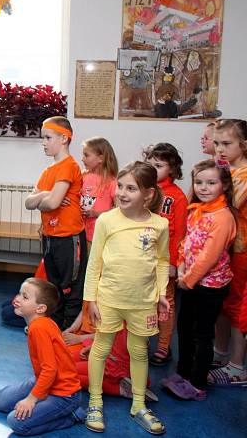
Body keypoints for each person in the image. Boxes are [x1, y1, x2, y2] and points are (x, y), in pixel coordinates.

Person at [83, 161, 170, 435]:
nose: (122, 192)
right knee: (101, 348)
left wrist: (161, 294)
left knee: (139, 352)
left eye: (131, 188)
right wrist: (91, 299)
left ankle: (139, 404)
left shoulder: (160, 224)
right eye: (120, 186)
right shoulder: (107, 220)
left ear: (148, 194)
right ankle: (95, 402)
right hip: (108, 299)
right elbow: (94, 261)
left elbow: (162, 261)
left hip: (142, 303)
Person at [160, 159, 236, 401]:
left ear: (223, 185)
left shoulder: (223, 217)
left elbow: (209, 257)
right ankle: (183, 373)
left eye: (211, 183)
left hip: (210, 286)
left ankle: (197, 383)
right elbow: (185, 243)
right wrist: (181, 269)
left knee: (202, 334)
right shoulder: (196, 210)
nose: (204, 187)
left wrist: (187, 280)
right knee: (184, 328)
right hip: (189, 281)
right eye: (199, 182)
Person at [0, 278, 85, 436]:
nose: (17, 299)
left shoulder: (39, 329)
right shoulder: (37, 324)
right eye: (20, 294)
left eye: (25, 297)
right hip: (44, 381)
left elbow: (50, 370)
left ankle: (72, 415)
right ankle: (40, 399)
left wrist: (31, 399)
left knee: (15, 422)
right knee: (0, 400)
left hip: (64, 395)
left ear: (41, 308)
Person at [25, 117, 87, 330]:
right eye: (43, 137)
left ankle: (68, 334)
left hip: (68, 238)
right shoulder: (47, 172)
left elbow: (51, 203)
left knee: (70, 289)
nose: (43, 142)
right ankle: (55, 331)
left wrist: (45, 198)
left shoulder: (69, 166)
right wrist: (47, 193)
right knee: (54, 288)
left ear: (64, 138)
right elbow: (29, 203)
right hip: (50, 237)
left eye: (47, 137)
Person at [209, 119, 247, 385]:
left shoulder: (243, 174)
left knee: (236, 306)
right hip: (225, 248)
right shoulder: (226, 170)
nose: (220, 149)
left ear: (243, 145)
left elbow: (230, 203)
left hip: (242, 249)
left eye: (227, 144)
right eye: (217, 143)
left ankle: (236, 366)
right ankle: (220, 354)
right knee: (222, 303)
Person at [143, 143, 188, 366]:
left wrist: (174, 263)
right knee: (142, 301)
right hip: (142, 258)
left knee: (165, 303)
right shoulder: (142, 191)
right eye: (150, 164)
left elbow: (180, 233)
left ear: (171, 168)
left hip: (164, 260)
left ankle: (163, 347)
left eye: (158, 166)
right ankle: (140, 342)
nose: (153, 169)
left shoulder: (177, 197)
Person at [79, 137, 118, 249]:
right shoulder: (82, 176)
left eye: (86, 155)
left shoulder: (112, 182)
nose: (82, 159)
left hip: (98, 237)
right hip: (79, 233)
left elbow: (119, 210)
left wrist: (96, 214)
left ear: (101, 158)